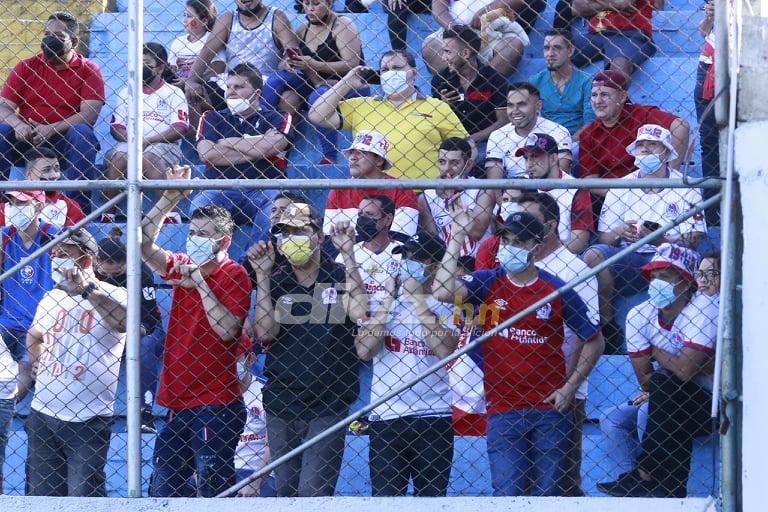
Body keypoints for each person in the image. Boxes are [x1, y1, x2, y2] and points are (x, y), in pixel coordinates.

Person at [433, 205, 604, 496]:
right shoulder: (487, 282)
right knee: (507, 495)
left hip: (549, 409)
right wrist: (457, 236)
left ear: (536, 247)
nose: (509, 248)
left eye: (519, 242)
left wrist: (571, 386)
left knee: (547, 497)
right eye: (506, 241)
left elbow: (595, 339)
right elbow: (441, 291)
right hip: (503, 409)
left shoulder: (557, 290)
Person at [142, 166, 252, 497]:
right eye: (193, 233)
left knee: (214, 491)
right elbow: (142, 244)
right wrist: (167, 199)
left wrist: (201, 282)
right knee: (162, 490)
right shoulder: (183, 266)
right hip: (178, 401)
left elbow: (226, 330)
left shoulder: (235, 274)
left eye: (204, 235)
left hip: (216, 403)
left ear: (224, 240)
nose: (196, 241)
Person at [249, 203, 368, 496]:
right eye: (284, 233)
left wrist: (350, 253)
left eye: (300, 231)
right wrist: (262, 277)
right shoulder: (277, 281)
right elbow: (265, 333)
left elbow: (360, 311)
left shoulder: (339, 274)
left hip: (329, 400)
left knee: (313, 492)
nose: (291, 239)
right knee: (286, 491)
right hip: (282, 400)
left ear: (318, 236)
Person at [597, 243, 718, 497]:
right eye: (653, 277)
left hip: (709, 405)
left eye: (665, 277)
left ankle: (654, 480)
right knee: (613, 418)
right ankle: (635, 483)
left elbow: (684, 372)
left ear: (685, 283)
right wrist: (688, 362)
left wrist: (656, 351)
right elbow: (645, 381)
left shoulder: (703, 308)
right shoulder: (638, 315)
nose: (656, 283)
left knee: (659, 392)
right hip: (664, 395)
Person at [583, 124, 707, 350]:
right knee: (593, 255)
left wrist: (660, 241)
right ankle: (609, 327)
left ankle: (664, 334)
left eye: (653, 145)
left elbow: (694, 239)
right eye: (641, 145)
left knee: (668, 258)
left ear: (667, 152)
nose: (646, 150)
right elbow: (603, 239)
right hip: (628, 256)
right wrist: (619, 232)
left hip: (669, 256)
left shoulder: (685, 186)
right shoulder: (622, 186)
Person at [355, 230, 459, 496]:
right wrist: (389, 301)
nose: (409, 264)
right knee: (386, 501)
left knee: (432, 501)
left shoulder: (448, 304)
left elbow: (444, 350)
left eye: (417, 258)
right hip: (386, 415)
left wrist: (417, 301)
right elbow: (365, 351)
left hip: (434, 415)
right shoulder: (383, 302)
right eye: (406, 258)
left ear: (435, 266)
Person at [26, 229, 127, 496]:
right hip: (43, 413)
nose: (55, 256)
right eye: (54, 252)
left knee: (85, 499)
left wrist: (86, 291)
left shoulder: (115, 294)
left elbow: (125, 322)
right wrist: (36, 360)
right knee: (40, 498)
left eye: (64, 252)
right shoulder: (52, 296)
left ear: (85, 260)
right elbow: (34, 335)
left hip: (88, 418)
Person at [517, 192, 600, 496]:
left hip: (560, 389)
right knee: (520, 479)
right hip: (519, 387)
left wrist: (564, 385)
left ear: (549, 226)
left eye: (529, 220)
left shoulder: (573, 269)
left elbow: (584, 334)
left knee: (561, 479)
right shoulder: (516, 265)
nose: (519, 226)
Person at [0, 11, 104, 212]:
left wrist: (51, 129)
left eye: (58, 36)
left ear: (73, 41)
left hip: (64, 142)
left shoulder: (89, 69)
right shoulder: (26, 66)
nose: (50, 40)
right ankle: (1, 208)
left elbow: (89, 115)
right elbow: (3, 106)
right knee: (1, 131)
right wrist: (18, 124)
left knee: (82, 133)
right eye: (47, 34)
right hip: (26, 140)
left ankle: (78, 211)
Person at [308, 50, 468, 180]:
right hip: (372, 194)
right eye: (384, 70)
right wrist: (346, 82)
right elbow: (316, 115)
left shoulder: (437, 106)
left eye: (397, 68)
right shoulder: (361, 105)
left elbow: (466, 147)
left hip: (425, 193)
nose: (390, 73)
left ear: (413, 74)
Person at [195, 63, 293, 241]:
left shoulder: (277, 117)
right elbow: (208, 154)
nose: (231, 92)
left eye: (239, 87)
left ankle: (253, 262)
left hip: (265, 188)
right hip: (220, 189)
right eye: (228, 87)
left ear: (257, 93)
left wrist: (228, 142)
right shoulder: (212, 117)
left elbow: (270, 147)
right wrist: (257, 147)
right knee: (200, 203)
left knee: (278, 207)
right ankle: (212, 262)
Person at [263, 0, 369, 161]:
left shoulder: (342, 25)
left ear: (330, 3)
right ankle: (257, 129)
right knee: (277, 79)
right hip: (317, 83)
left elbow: (352, 64)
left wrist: (314, 64)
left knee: (318, 96)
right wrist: (287, 63)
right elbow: (288, 58)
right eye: (306, 4)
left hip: (348, 86)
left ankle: (330, 156)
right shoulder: (302, 29)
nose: (310, 8)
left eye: (316, 3)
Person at [103, 43, 189, 223]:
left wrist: (148, 141)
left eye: (147, 64)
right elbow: (116, 126)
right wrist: (133, 140)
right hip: (130, 142)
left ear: (160, 68)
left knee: (149, 157)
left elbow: (180, 128)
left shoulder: (174, 93)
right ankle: (108, 213)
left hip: (165, 145)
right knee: (119, 157)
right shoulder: (127, 92)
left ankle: (168, 213)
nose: (141, 68)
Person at [579, 71, 689, 196]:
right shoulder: (589, 133)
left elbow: (681, 126)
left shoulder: (640, 115)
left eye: (604, 95)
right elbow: (590, 179)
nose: (597, 101)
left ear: (622, 97)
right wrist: (622, 195)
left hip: (652, 188)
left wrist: (669, 178)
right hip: (613, 196)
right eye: (594, 95)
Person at [94, 236, 165, 431]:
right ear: (96, 262)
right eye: (104, 273)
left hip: (144, 326)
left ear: (125, 262)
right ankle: (90, 413)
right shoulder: (90, 273)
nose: (109, 277)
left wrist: (135, 330)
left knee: (145, 346)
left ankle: (144, 413)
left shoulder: (141, 271)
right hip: (105, 326)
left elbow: (150, 317)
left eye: (116, 271)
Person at [186, 0, 300, 108]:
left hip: (264, 84)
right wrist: (191, 80)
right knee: (195, 96)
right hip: (230, 83)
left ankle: (274, 128)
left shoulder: (276, 17)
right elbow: (207, 51)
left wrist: (286, 60)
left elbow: (292, 50)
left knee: (290, 98)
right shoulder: (228, 18)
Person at [0, 190, 58, 400]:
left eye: (22, 203)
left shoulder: (54, 236)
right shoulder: (4, 237)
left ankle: (6, 409)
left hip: (40, 324)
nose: (15, 208)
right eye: (12, 203)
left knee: (24, 368)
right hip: (5, 320)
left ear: (39, 206)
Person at [323, 130, 419, 242]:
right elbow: (329, 239)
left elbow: (401, 239)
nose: (353, 158)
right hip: (345, 255)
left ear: (379, 160)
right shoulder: (339, 190)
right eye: (351, 152)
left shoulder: (401, 190)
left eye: (361, 152)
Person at [431, 26, 507, 150]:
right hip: (451, 145)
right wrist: (442, 106)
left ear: (465, 53)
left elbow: (504, 121)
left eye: (448, 52)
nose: (443, 58)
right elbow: (434, 122)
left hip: (487, 143)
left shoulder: (495, 80)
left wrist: (473, 138)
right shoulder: (440, 80)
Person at [518, 132, 594, 254]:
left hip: (563, 257)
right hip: (524, 255)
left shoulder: (576, 189)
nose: (529, 165)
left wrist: (544, 253)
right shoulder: (520, 186)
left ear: (553, 158)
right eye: (526, 158)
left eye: (535, 157)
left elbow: (579, 243)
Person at [418, 137, 495, 257]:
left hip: (477, 261)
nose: (446, 168)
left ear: (468, 165)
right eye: (442, 162)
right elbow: (433, 243)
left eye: (454, 163)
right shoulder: (426, 197)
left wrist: (452, 204)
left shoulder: (482, 190)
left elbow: (476, 233)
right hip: (446, 262)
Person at [422, 0, 534, 77]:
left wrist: (487, 10)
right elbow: (438, 9)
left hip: (494, 33)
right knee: (430, 46)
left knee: (513, 46)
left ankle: (482, 89)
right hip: (452, 31)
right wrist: (453, 27)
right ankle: (454, 87)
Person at [486, 82, 572, 180]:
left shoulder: (558, 132)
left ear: (538, 106)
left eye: (522, 104)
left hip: (549, 191)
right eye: (510, 105)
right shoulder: (497, 136)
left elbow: (560, 177)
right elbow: (494, 183)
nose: (515, 111)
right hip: (513, 190)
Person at [339, 195, 402, 315]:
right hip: (356, 323)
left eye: (370, 215)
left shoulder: (404, 253)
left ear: (388, 219)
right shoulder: (347, 252)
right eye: (360, 215)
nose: (363, 220)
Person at [528, 30, 595, 139]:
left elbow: (590, 122)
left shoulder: (587, 81)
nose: (550, 54)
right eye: (546, 48)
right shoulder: (535, 82)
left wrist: (568, 143)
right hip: (544, 142)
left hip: (578, 141)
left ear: (570, 51)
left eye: (557, 48)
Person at [570, 0, 656, 79]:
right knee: (561, 49)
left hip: (629, 35)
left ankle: (615, 95)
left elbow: (624, 3)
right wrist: (611, 5)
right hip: (595, 34)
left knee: (620, 64)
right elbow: (576, 8)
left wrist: (593, 3)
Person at [0, 147, 84, 228]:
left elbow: (76, 239)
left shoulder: (70, 206)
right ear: (29, 175)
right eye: (46, 170)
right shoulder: (8, 204)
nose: (54, 175)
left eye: (57, 169)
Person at [234, 344, 277, 497]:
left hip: (255, 469)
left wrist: (255, 481)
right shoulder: (211, 394)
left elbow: (273, 444)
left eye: (234, 358)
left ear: (250, 359)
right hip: (220, 468)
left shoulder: (266, 393)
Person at [695, 0, 720, 226]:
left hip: (747, 63)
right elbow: (705, 31)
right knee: (710, 141)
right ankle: (713, 214)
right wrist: (710, 17)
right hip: (708, 67)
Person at [169, 0, 224, 83]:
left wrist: (191, 81)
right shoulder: (178, 42)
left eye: (189, 16)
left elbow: (218, 69)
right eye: (184, 15)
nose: (184, 20)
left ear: (204, 21)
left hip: (205, 84)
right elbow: (173, 66)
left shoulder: (212, 39)